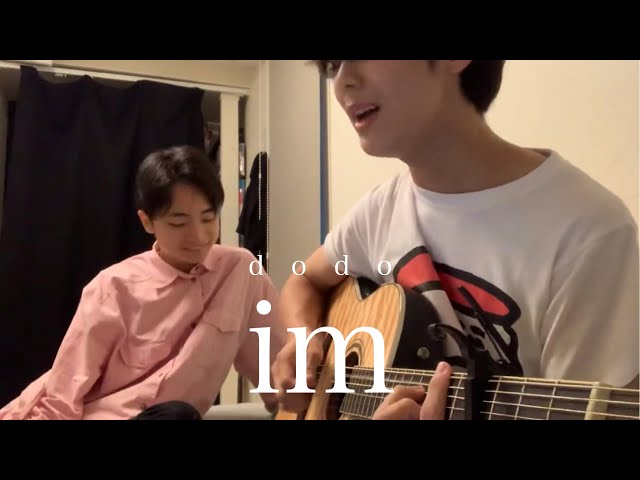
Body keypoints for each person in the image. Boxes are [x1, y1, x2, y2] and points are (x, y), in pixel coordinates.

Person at [271, 60, 639, 420]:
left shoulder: (588, 234)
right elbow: (305, 279)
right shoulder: (379, 212)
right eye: (333, 65)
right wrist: (303, 339)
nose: (342, 83)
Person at [0, 145, 285, 420]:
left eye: (208, 219)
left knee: (177, 414)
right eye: (178, 223)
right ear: (147, 221)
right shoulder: (113, 287)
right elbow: (64, 391)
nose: (199, 236)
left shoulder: (240, 271)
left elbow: (279, 369)